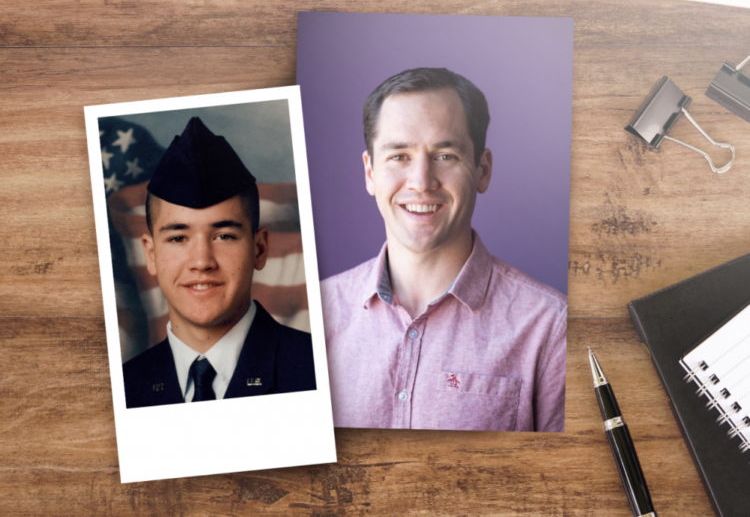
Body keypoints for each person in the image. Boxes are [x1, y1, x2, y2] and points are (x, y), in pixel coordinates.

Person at [321, 68, 566, 432]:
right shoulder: (315, 315)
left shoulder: (549, 327)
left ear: (482, 170)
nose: (422, 182)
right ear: (370, 172)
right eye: (399, 156)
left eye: (446, 155)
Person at [123, 117, 316, 408]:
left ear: (260, 249)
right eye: (178, 238)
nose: (201, 262)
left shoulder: (317, 372)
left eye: (224, 236)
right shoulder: (124, 390)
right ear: (151, 255)